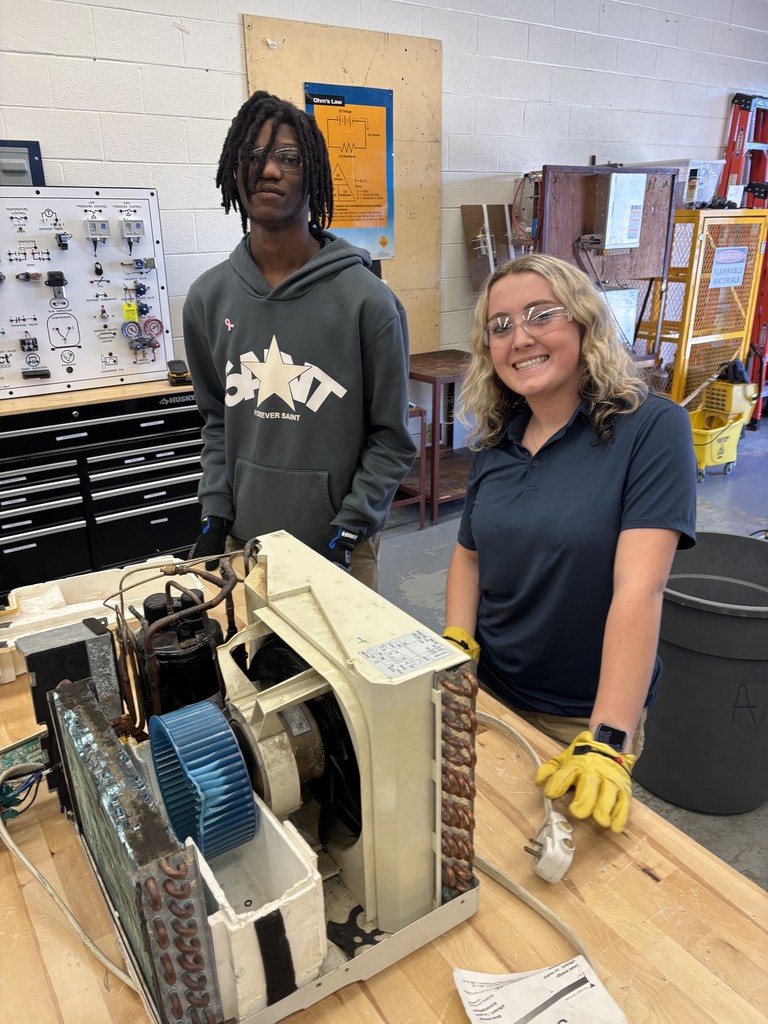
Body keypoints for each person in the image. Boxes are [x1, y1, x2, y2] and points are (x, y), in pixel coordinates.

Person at [443, 254, 697, 832]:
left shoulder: (652, 429)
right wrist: (457, 651)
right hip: (492, 697)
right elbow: (469, 554)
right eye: (500, 326)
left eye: (540, 314)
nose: (520, 337)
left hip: (583, 716)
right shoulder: (494, 443)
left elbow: (641, 587)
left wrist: (607, 739)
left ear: (585, 323)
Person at [182, 91, 416, 590]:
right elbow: (217, 421)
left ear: (315, 176)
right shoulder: (206, 299)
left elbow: (391, 439)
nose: (269, 170)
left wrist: (351, 525)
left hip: (340, 548)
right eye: (253, 157)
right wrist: (215, 512)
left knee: (339, 669)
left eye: (288, 158)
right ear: (234, 171)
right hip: (244, 547)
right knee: (242, 666)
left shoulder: (368, 303)